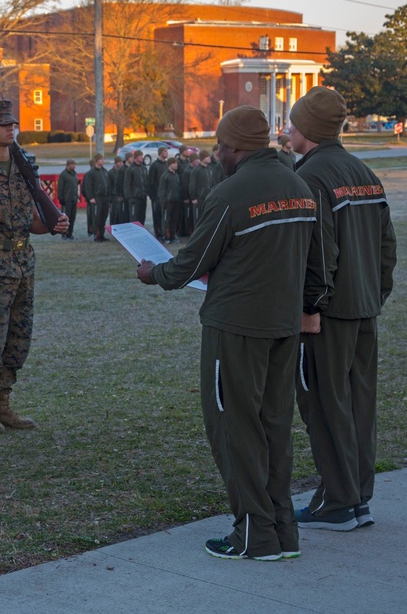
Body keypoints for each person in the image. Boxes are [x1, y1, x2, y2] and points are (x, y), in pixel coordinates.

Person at [137, 105, 316, 561]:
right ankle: (282, 532)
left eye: (220, 147)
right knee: (275, 427)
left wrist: (151, 272)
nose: (217, 154)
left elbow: (190, 264)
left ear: (235, 148)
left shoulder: (230, 193)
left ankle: (254, 535)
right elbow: (315, 259)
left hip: (235, 327)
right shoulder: (299, 186)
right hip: (283, 326)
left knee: (233, 428)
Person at [290, 86, 397, 532]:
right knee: (359, 406)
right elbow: (387, 247)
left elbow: (320, 254)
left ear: (308, 129)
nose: (287, 131)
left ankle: (337, 503)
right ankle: (357, 498)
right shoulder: (364, 171)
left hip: (328, 315)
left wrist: (310, 306)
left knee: (325, 406)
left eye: (293, 123)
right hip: (364, 308)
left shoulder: (312, 175)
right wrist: (374, 294)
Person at [0, 99, 68, 434]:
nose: (10, 128)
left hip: (23, 263)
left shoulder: (24, 169)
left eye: (12, 123)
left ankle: (4, 401)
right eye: (3, 123)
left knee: (19, 339)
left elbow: (31, 222)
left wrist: (53, 223)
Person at [81, 154, 110, 241]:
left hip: (105, 197)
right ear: (97, 161)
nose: (103, 161)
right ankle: (96, 235)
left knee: (104, 217)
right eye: (101, 159)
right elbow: (88, 186)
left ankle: (102, 234)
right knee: (97, 217)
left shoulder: (105, 171)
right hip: (97, 198)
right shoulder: (91, 173)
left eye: (103, 159)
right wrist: (90, 197)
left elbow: (108, 184)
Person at [157, 157, 183, 243]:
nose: (176, 165)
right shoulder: (165, 176)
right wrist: (163, 201)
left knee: (174, 219)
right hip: (168, 202)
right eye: (174, 163)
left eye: (177, 163)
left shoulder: (176, 175)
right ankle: (166, 236)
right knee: (166, 219)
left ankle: (173, 235)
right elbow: (162, 189)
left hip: (176, 200)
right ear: (170, 164)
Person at [148, 146, 169, 239]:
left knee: (164, 215)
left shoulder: (167, 164)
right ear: (160, 152)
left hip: (166, 195)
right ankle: (158, 233)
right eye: (164, 151)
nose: (166, 152)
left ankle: (165, 232)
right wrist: (153, 195)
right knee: (157, 215)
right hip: (156, 195)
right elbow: (150, 181)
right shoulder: (154, 165)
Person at [56, 159, 79, 240]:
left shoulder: (75, 174)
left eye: (74, 164)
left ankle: (70, 233)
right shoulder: (63, 174)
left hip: (74, 198)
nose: (74, 166)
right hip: (67, 199)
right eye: (72, 164)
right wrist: (60, 197)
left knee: (73, 217)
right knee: (66, 217)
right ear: (68, 165)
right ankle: (64, 233)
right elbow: (60, 187)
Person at [124, 150, 148, 226]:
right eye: (140, 156)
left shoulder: (144, 168)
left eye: (142, 156)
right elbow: (127, 184)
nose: (142, 157)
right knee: (134, 217)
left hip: (143, 197)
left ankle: (141, 232)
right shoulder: (130, 169)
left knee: (142, 217)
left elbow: (146, 182)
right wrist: (130, 197)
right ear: (136, 157)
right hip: (134, 198)